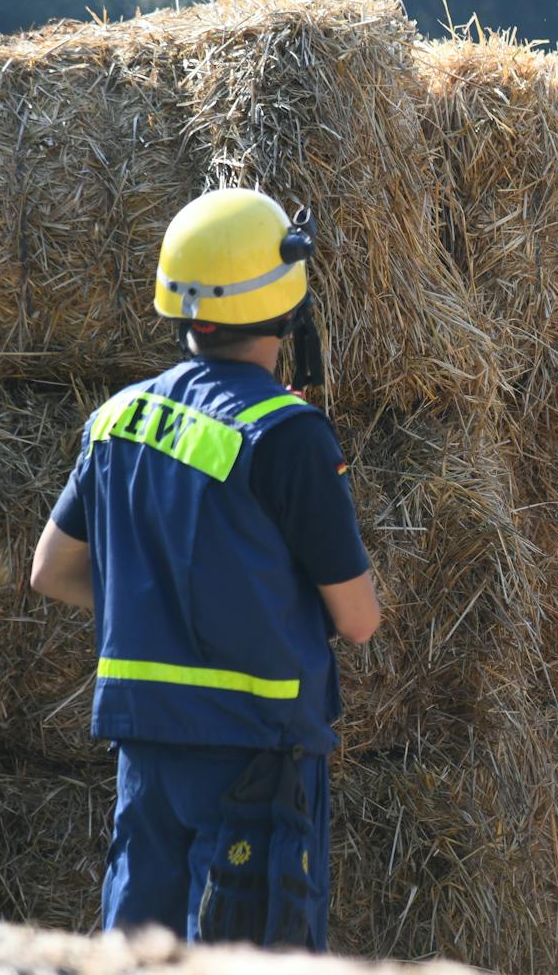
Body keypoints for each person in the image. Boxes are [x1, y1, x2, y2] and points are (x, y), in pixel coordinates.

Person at [30, 187, 381, 949]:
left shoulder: (118, 419)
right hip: (256, 758)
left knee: (135, 958)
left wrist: (155, 611)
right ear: (286, 303)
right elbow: (358, 620)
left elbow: (50, 571)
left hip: (147, 751)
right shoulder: (287, 436)